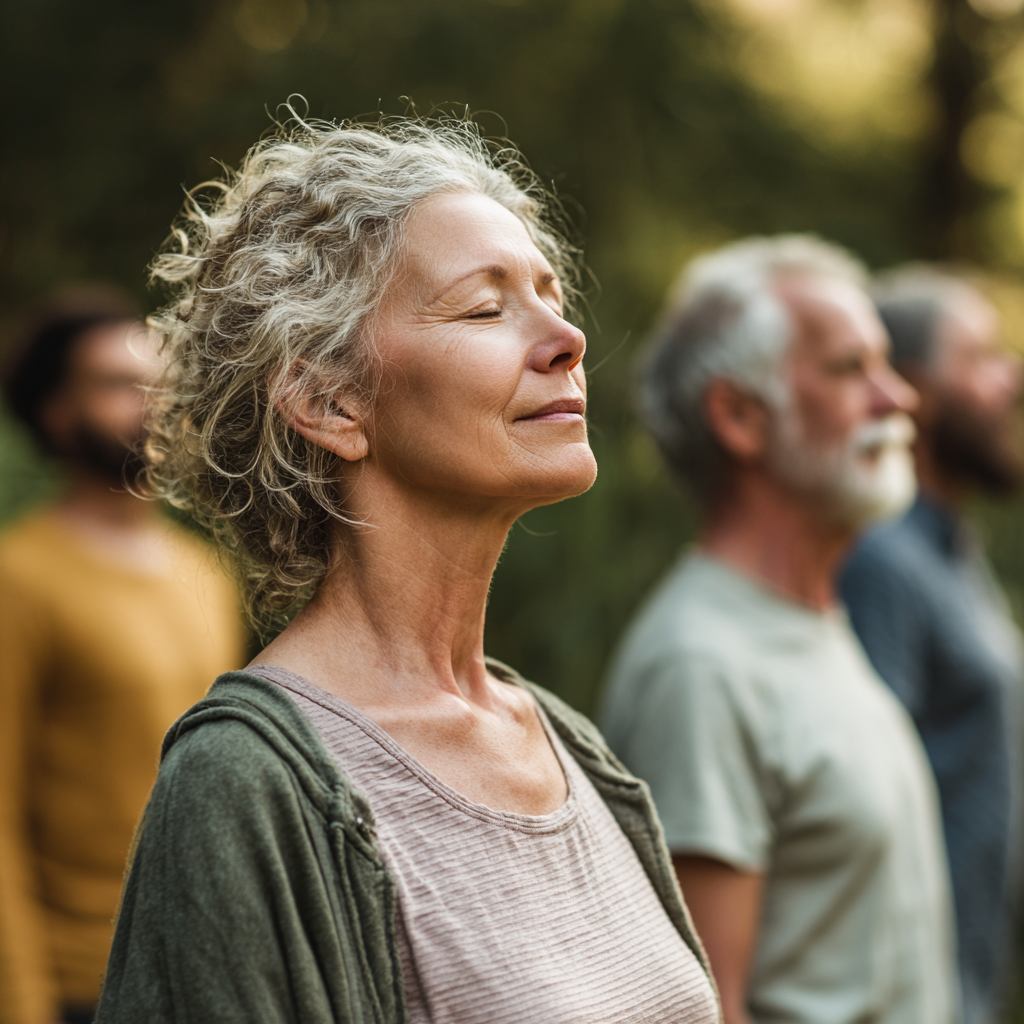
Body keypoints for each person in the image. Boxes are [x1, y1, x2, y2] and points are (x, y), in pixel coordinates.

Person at [93, 117, 721, 1024]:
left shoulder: (567, 745)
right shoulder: (243, 786)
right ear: (329, 401)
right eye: (485, 306)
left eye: (550, 293)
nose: (567, 336)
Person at [600, 236, 959, 1024]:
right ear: (739, 415)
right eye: (849, 368)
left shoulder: (812, 622)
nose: (897, 398)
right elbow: (703, 1008)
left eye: (888, 364)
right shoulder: (700, 665)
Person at [0, 289, 246, 1024]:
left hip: (205, 969)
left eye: (162, 384)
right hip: (83, 985)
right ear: (55, 413)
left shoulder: (209, 573)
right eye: (117, 385)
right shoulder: (19, 579)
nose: (151, 402)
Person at [841, 266, 1024, 1024]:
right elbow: (866, 804)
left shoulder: (953, 548)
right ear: (913, 387)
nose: (1010, 377)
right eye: (979, 358)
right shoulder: (879, 561)